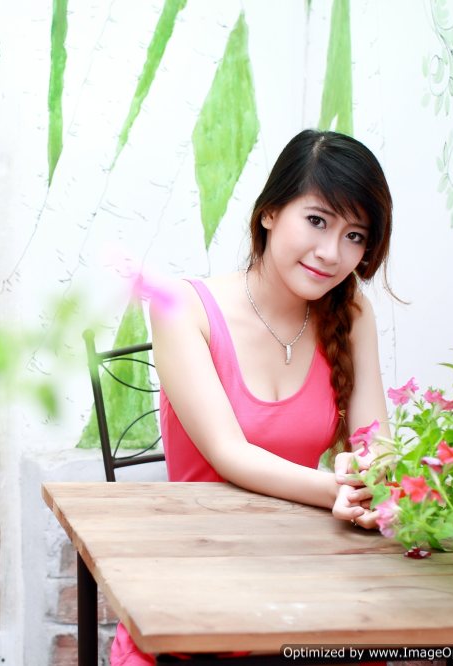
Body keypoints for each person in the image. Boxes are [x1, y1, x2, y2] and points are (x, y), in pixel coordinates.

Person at [111, 129, 394, 666]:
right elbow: (229, 454)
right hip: (199, 581)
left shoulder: (352, 314)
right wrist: (337, 490)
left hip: (306, 572)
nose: (331, 253)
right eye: (317, 221)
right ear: (269, 212)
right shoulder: (182, 307)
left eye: (355, 235)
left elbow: (375, 441)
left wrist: (374, 479)